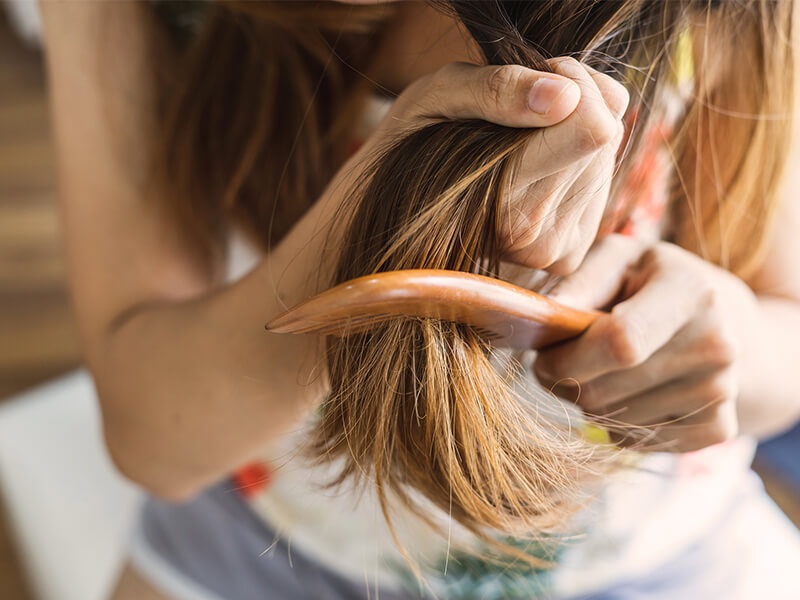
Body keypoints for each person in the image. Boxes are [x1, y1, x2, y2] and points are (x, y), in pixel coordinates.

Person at [38, 1, 800, 599]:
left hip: (648, 558)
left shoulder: (725, 19)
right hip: (263, 547)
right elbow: (152, 443)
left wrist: (730, 341)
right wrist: (377, 209)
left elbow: (785, 341)